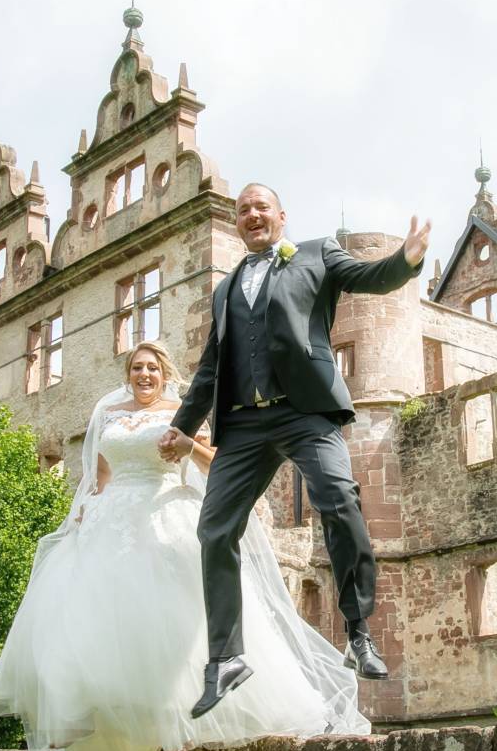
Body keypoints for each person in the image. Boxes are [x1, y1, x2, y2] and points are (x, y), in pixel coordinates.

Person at [0, 342, 370, 751]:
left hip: (167, 519)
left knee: (170, 630)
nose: (144, 374)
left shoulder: (183, 413)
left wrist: (187, 446)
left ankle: (174, 726)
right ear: (128, 374)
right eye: (136, 367)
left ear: (166, 374)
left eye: (152, 367)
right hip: (111, 524)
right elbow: (98, 475)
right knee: (95, 641)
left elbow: (219, 464)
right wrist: (83, 516)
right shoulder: (108, 412)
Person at [160, 184, 430, 718]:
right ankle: (226, 658)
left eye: (261, 207)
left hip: (305, 413)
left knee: (340, 498)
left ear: (281, 216)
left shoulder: (316, 253)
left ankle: (357, 632)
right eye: (243, 211)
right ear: (237, 224)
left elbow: (366, 277)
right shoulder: (226, 288)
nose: (252, 215)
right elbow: (211, 368)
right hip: (242, 427)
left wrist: (405, 261)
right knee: (214, 531)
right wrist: (182, 427)